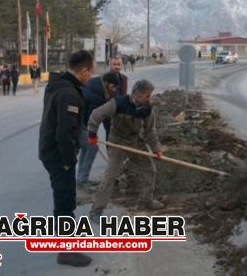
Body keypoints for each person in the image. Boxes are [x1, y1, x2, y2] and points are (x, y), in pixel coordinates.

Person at [38, 50, 95, 267]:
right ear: (84, 70)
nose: (90, 78)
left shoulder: (57, 85)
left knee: (63, 200)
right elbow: (65, 132)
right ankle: (67, 251)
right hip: (58, 155)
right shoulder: (69, 93)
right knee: (65, 201)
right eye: (90, 73)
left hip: (50, 151)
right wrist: (69, 160)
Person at [87, 79, 164, 219]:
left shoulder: (147, 109)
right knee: (110, 177)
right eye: (147, 95)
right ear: (137, 94)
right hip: (118, 142)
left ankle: (145, 201)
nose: (149, 98)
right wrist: (92, 133)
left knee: (150, 170)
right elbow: (96, 114)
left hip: (135, 142)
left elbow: (150, 131)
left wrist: (156, 149)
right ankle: (96, 211)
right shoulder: (119, 103)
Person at [77, 72, 120, 188]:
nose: (114, 90)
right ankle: (82, 179)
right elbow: (92, 119)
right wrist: (92, 135)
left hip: (78, 122)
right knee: (92, 146)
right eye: (113, 87)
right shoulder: (98, 94)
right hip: (75, 124)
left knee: (87, 147)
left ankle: (81, 177)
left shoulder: (96, 84)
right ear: (106, 83)